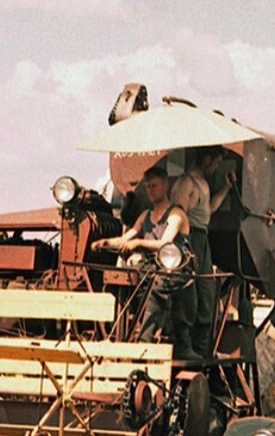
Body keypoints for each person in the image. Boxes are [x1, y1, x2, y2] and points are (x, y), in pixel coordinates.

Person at [92, 166, 199, 360]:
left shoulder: (176, 214)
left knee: (156, 286)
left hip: (178, 270)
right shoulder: (145, 216)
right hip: (152, 268)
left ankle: (145, 342)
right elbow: (128, 237)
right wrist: (106, 242)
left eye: (155, 186)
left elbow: (164, 243)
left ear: (165, 185)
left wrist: (139, 243)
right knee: (123, 279)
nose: (151, 190)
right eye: (148, 187)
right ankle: (119, 335)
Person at [172, 146, 235, 356]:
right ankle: (186, 348)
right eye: (216, 162)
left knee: (206, 295)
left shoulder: (203, 184)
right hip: (191, 238)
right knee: (191, 295)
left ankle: (202, 350)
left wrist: (226, 188)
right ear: (207, 160)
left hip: (203, 238)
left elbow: (210, 209)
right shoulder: (186, 183)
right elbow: (178, 212)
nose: (217, 166)